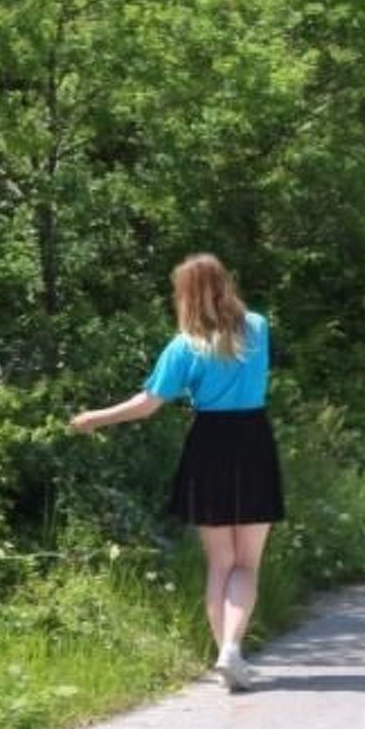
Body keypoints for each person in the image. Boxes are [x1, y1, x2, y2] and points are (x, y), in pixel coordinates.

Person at [69, 253, 284, 691]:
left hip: (208, 445)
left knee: (220, 562)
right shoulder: (258, 327)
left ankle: (226, 655)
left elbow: (147, 405)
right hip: (254, 441)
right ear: (226, 283)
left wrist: (94, 418)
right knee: (247, 563)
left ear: (184, 294)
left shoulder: (184, 345)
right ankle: (231, 652)